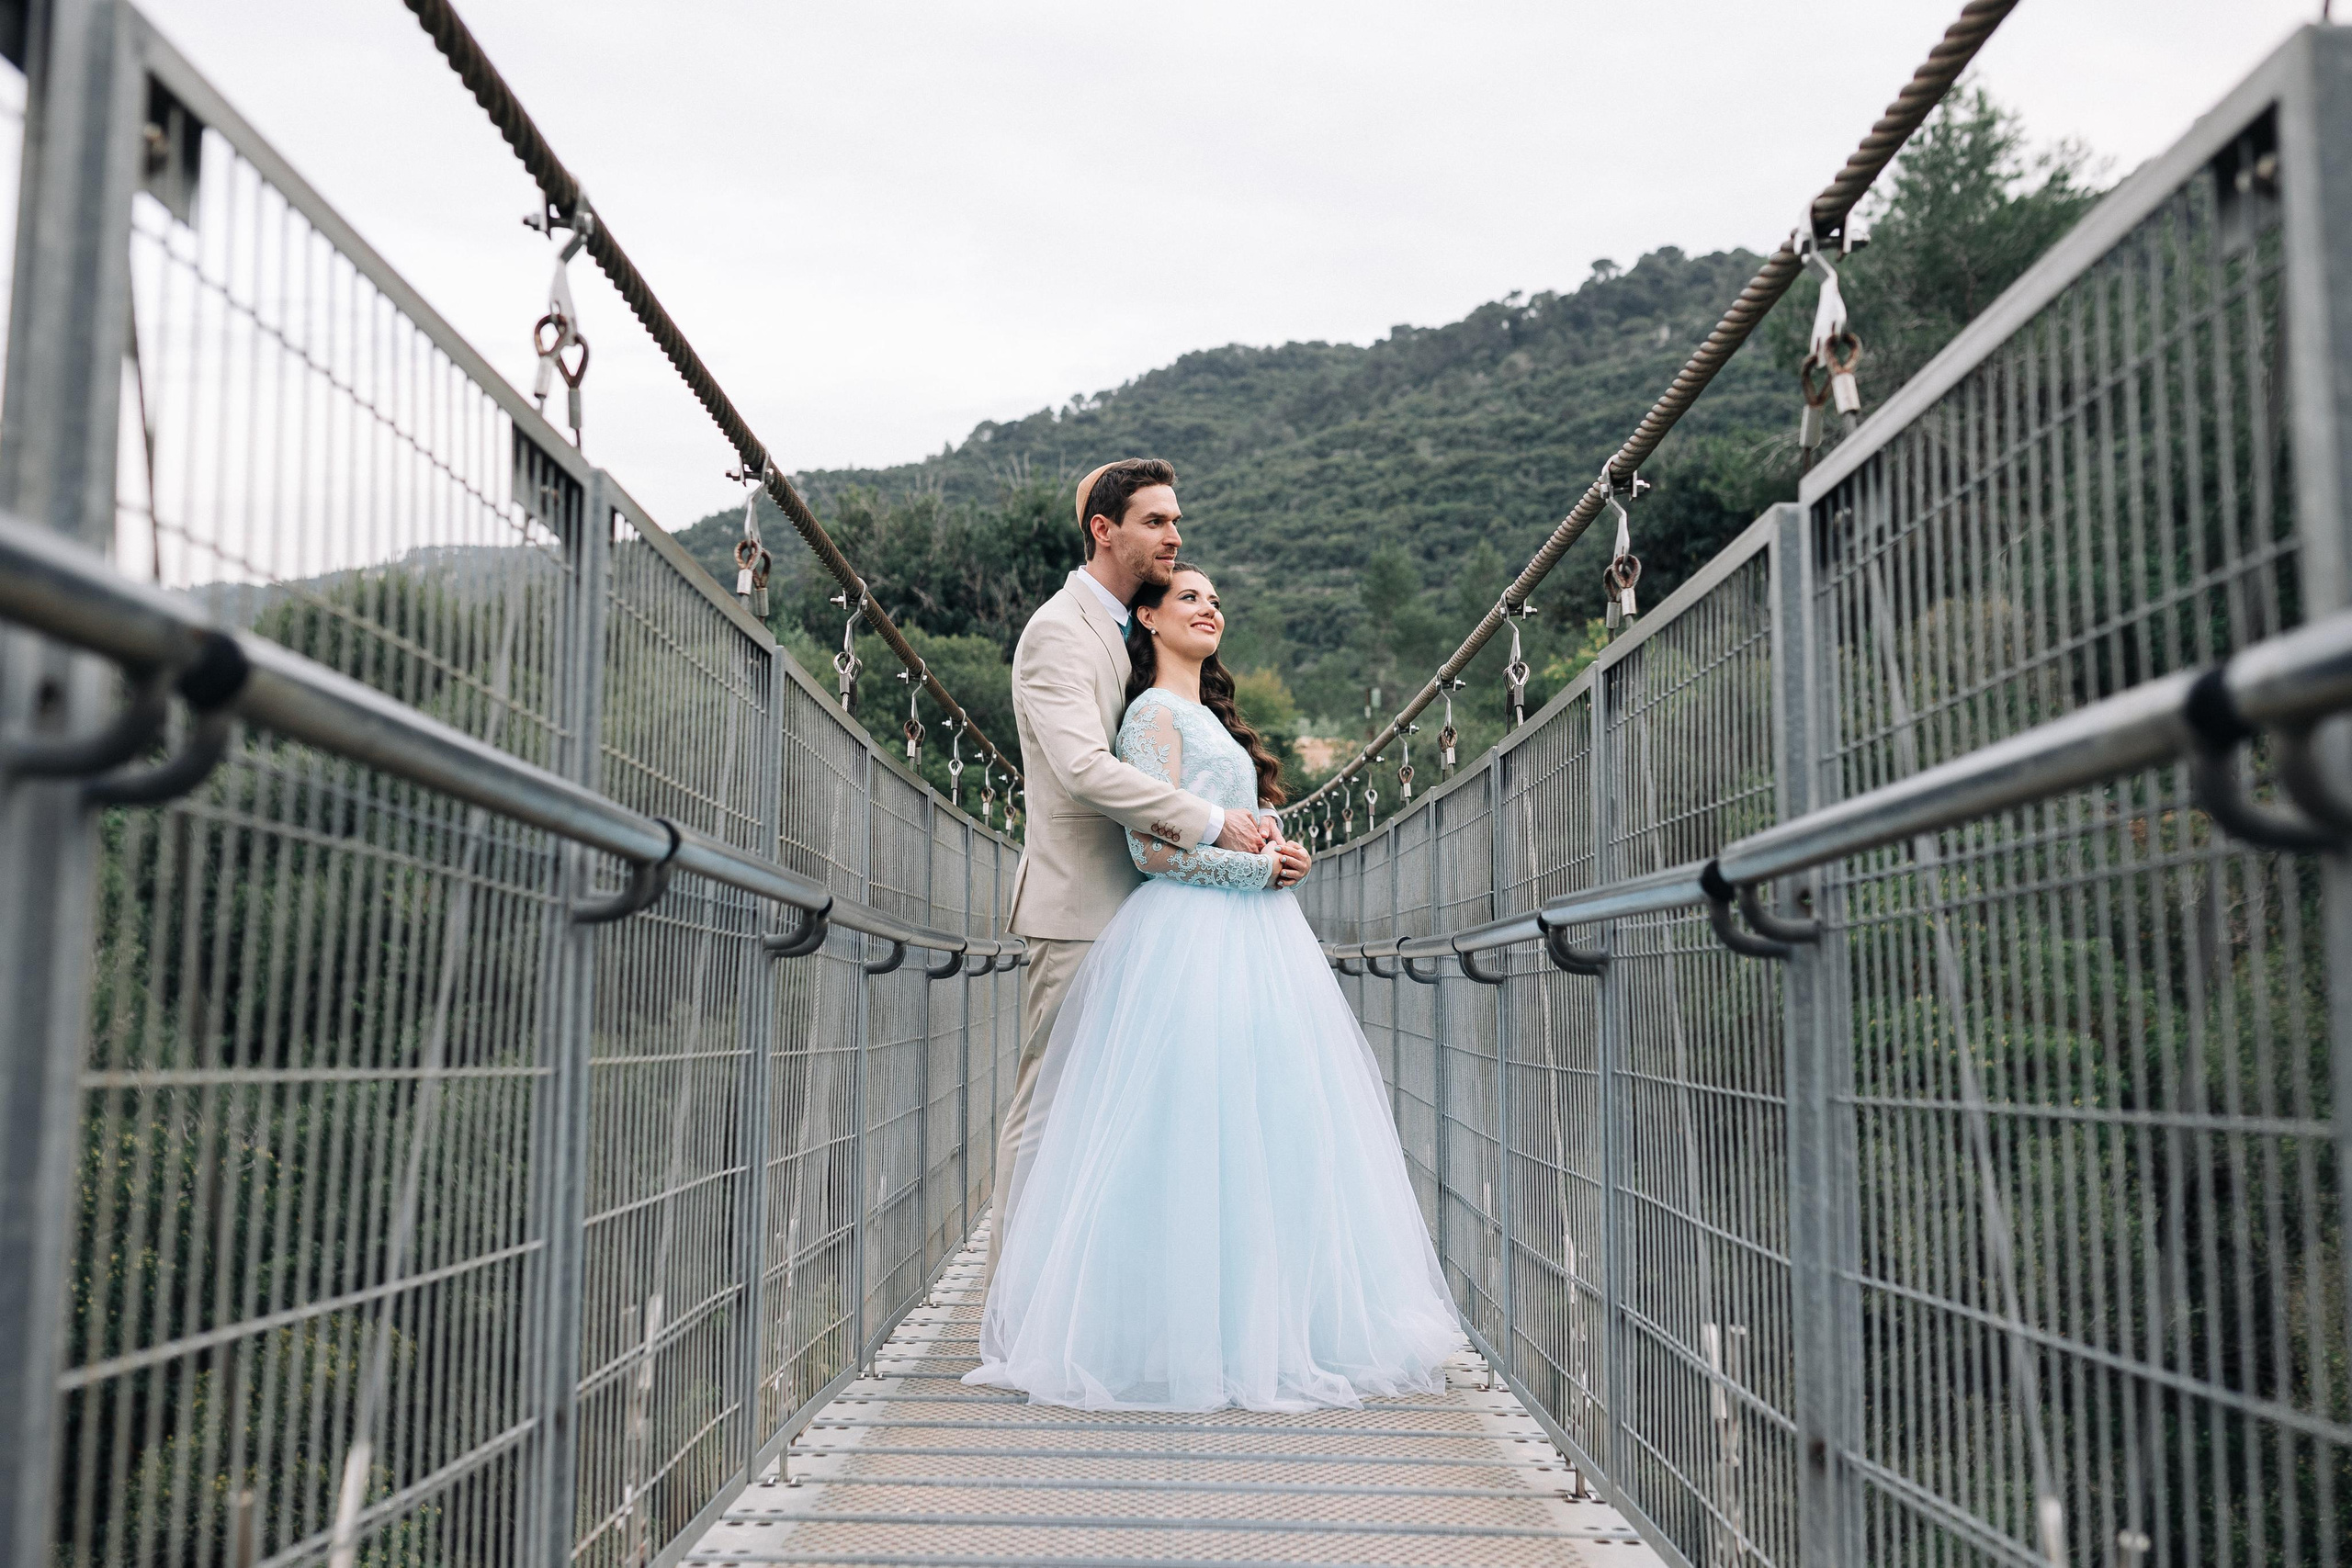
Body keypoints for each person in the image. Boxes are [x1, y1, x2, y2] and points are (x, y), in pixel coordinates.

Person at [969, 550, 1458, 1411]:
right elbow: (1152, 847)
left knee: (1259, 1131)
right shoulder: (1153, 714)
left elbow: (1221, 828)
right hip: (1190, 941)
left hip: (1252, 945)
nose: (1210, 608)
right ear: (1148, 619)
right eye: (1190, 595)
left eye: (1217, 599)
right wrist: (1252, 870)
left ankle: (1251, 1327)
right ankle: (1147, 1328)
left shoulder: (1214, 722)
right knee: (1188, 1133)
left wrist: (1275, 848)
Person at [989, 458, 1290, 1291]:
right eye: (1158, 521)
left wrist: (1252, 841)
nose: (1175, 536)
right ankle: (1013, 1306)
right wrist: (1210, 823)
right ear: (1105, 530)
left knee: (1130, 1117)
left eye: (1176, 520)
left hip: (1153, 912)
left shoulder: (1120, 631)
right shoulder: (1059, 631)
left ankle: (1107, 1292)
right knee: (1051, 1110)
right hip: (1083, 905)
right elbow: (1084, 767)